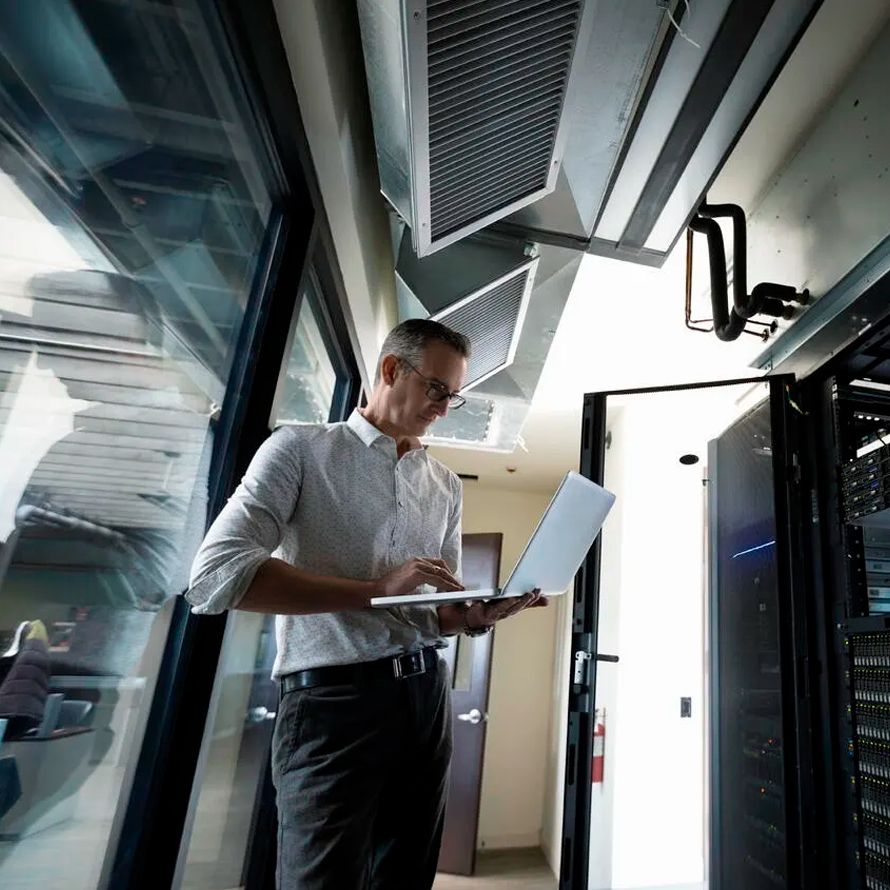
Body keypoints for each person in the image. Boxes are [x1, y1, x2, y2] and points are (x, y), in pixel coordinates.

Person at [185, 318, 547, 889]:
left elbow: (431, 610)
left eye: (454, 395)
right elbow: (215, 578)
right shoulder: (300, 449)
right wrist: (374, 591)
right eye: (437, 389)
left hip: (426, 697)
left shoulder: (446, 485)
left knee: (406, 877)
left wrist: (473, 617)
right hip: (333, 705)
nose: (445, 408)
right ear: (389, 370)